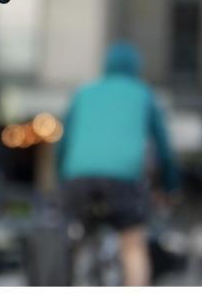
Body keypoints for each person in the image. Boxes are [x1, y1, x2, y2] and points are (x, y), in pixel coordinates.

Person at [56, 41, 179, 286]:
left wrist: (61, 181)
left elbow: (62, 144)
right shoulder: (144, 94)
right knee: (133, 245)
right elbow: (164, 149)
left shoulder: (84, 92)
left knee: (77, 239)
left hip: (78, 180)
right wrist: (170, 187)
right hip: (124, 181)